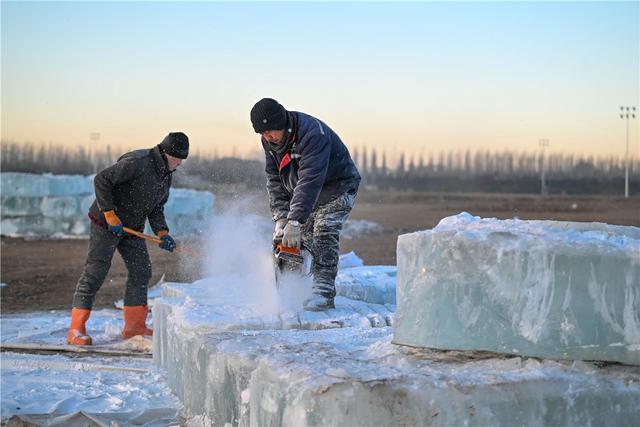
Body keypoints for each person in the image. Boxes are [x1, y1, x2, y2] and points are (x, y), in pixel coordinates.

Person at [66, 132, 189, 345]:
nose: (179, 164)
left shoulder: (166, 175)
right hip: (105, 223)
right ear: (169, 153)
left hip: (132, 228)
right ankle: (76, 329)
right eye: (179, 159)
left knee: (141, 271)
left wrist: (162, 233)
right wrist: (110, 214)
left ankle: (134, 326)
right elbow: (102, 180)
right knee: (96, 271)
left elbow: (156, 207)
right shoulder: (138, 162)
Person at [250, 98, 361, 311]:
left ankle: (323, 290)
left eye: (270, 131)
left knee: (323, 231)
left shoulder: (312, 134)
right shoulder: (269, 141)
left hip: (337, 186)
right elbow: (274, 178)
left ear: (281, 122)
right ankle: (292, 288)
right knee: (298, 242)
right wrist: (282, 218)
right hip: (305, 194)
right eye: (262, 134)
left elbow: (310, 180)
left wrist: (295, 219)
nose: (267, 137)